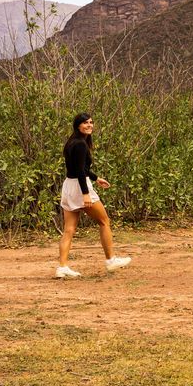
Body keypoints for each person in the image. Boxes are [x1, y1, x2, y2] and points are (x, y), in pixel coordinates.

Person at [55, 113, 131, 278]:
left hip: (68, 186)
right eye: (85, 123)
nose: (89, 125)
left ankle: (62, 267)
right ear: (78, 125)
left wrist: (96, 178)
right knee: (104, 221)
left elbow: (78, 168)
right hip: (79, 187)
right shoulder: (81, 145)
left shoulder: (71, 142)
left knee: (69, 229)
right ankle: (111, 260)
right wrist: (86, 194)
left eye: (91, 122)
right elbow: (81, 173)